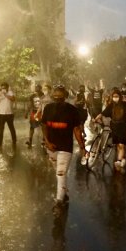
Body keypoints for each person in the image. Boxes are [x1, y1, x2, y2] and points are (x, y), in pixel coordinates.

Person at [41, 85, 86, 215]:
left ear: (65, 96)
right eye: (55, 94)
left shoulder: (72, 111)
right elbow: (44, 126)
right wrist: (47, 142)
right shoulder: (48, 108)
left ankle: (59, 202)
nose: (57, 97)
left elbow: (77, 130)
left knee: (61, 173)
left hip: (66, 148)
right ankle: (64, 192)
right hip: (51, 147)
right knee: (58, 172)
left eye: (60, 95)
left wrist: (82, 147)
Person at [96, 88, 126, 171]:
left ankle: (119, 160)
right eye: (114, 96)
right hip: (114, 127)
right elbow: (104, 113)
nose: (115, 98)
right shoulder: (111, 106)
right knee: (117, 144)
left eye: (116, 96)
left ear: (120, 97)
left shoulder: (125, 105)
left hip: (123, 127)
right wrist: (96, 118)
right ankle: (122, 158)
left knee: (121, 144)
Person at [0, 82, 16, 149]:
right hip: (1, 114)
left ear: (7, 87)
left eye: (4, 87)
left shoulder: (10, 92)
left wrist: (5, 94)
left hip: (9, 114)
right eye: (2, 87)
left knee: (11, 128)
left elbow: (13, 99)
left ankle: (14, 141)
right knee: (0, 129)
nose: (3, 89)